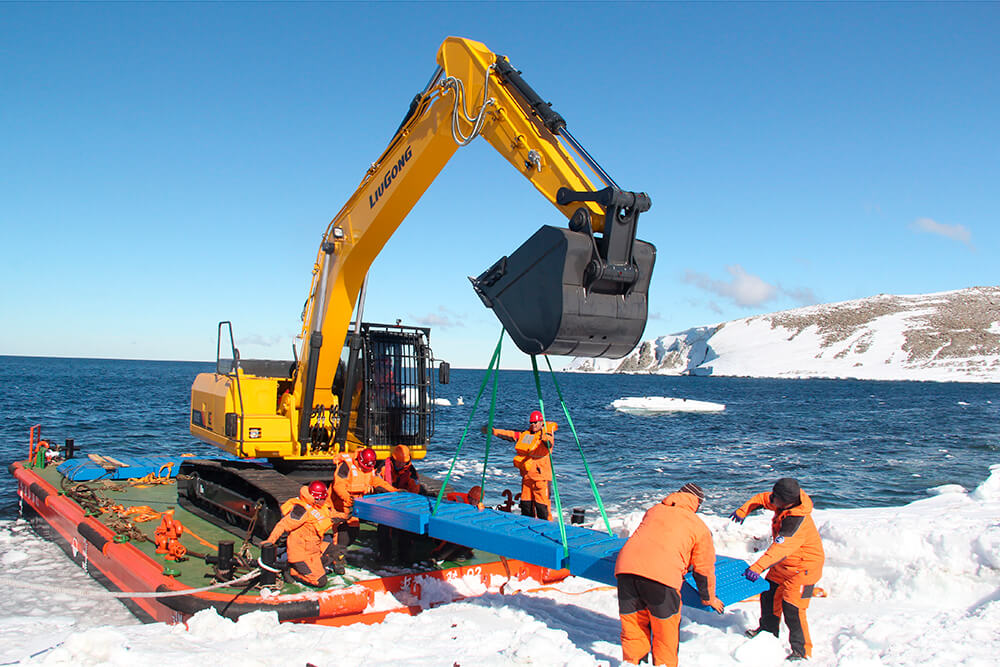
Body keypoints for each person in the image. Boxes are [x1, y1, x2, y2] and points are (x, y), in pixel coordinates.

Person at [615, 483, 725, 667]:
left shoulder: (654, 510)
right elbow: (703, 569)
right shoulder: (698, 526)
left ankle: (632, 664)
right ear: (696, 504)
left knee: (633, 629)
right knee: (664, 635)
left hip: (626, 570)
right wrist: (709, 598)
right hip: (661, 578)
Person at [730, 477, 825, 662]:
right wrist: (744, 511)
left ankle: (801, 651)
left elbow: (780, 549)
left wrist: (757, 568)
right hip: (785, 565)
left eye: (775, 498)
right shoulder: (783, 502)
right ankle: (768, 633)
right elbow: (761, 499)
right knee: (768, 595)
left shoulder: (796, 521)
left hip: (804, 570)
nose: (771, 500)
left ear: (786, 501)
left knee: (793, 609)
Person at [265, 481, 347, 586]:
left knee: (336, 551)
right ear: (316, 499)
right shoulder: (301, 511)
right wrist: (270, 541)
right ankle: (292, 571)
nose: (325, 500)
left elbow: (330, 514)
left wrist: (346, 515)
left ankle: (316, 565)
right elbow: (282, 525)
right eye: (323, 498)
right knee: (320, 582)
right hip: (301, 553)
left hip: (314, 547)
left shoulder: (318, 506)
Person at [484, 410, 557, 519]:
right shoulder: (526, 435)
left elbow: (549, 443)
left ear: (541, 422)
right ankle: (528, 526)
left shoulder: (546, 434)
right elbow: (511, 435)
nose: (533, 425)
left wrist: (545, 436)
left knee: (542, 506)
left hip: (541, 477)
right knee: (526, 504)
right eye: (532, 423)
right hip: (527, 476)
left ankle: (547, 528)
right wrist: (494, 431)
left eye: (536, 422)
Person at [328, 447, 397, 549]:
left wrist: (394, 490)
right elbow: (338, 486)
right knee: (342, 536)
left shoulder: (370, 469)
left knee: (353, 532)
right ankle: (333, 556)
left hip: (353, 506)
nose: (366, 470)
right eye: (365, 467)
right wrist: (348, 499)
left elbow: (377, 481)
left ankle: (332, 548)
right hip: (339, 505)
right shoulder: (346, 466)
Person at [376, 444, 422, 563]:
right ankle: (384, 556)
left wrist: (408, 499)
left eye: (403, 462)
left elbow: (415, 489)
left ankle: (405, 558)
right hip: (386, 501)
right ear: (394, 459)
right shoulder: (383, 467)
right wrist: (392, 491)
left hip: (403, 503)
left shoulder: (410, 471)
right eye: (399, 462)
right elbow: (376, 482)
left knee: (406, 530)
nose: (401, 464)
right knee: (384, 530)